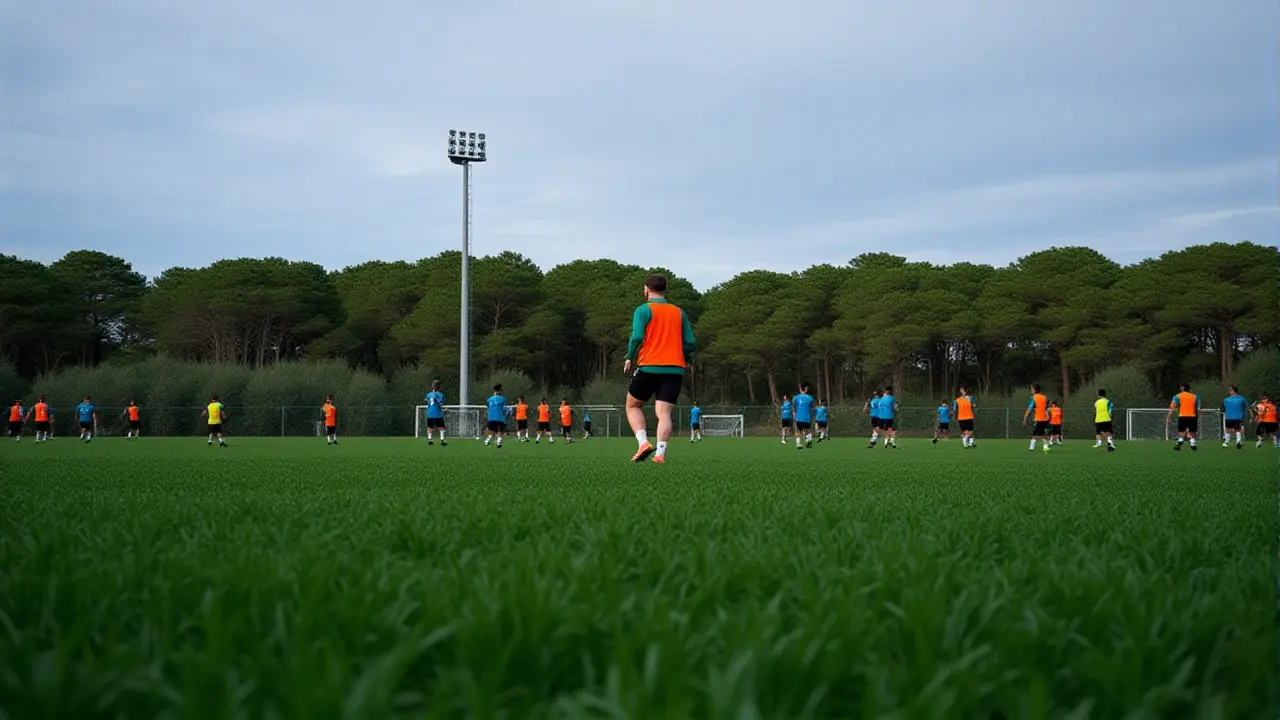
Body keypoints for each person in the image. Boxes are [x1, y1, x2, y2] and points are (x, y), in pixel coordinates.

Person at [623, 274, 696, 464]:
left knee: (632, 405)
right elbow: (690, 342)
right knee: (664, 413)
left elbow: (637, 337)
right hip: (674, 369)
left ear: (646, 289)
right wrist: (686, 359)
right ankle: (660, 454)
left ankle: (643, 442)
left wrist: (630, 356)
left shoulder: (643, 310)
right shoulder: (678, 312)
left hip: (650, 366)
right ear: (664, 290)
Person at [1167, 382, 1199, 451]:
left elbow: (1172, 408)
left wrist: (1169, 417)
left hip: (1182, 416)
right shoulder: (1195, 397)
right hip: (1192, 417)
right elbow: (1197, 408)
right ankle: (1193, 442)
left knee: (1181, 432)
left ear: (1182, 387)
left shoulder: (1177, 396)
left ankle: (1180, 441)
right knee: (1192, 432)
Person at [1023, 384, 1050, 453]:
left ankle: (1046, 442)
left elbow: (1029, 408)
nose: (1031, 390)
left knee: (1038, 436)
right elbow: (1046, 408)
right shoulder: (1044, 397)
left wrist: (1025, 418)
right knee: (1035, 434)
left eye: (1031, 389)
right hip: (1045, 418)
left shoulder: (1033, 398)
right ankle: (1031, 448)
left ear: (1034, 389)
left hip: (1039, 419)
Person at [1221, 385, 1248, 449]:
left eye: (1230, 390)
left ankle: (1227, 442)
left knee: (1228, 429)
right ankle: (1238, 442)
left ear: (1233, 391)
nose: (1229, 391)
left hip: (1229, 417)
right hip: (1237, 417)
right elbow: (1245, 407)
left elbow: (1223, 408)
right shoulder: (1242, 398)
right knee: (1237, 430)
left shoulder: (1226, 400)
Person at [423, 379, 447, 446]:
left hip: (430, 413)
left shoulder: (428, 394)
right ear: (439, 386)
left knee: (430, 427)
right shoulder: (440, 395)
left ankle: (430, 440)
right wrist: (443, 409)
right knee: (441, 427)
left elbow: (427, 400)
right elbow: (440, 403)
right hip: (437, 413)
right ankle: (442, 440)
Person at [792, 383, 816, 449]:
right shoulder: (810, 398)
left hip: (798, 418)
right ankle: (809, 440)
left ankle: (798, 444)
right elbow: (813, 408)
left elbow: (793, 408)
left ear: (800, 389)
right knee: (808, 430)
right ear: (805, 389)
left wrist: (794, 415)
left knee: (798, 431)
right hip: (807, 418)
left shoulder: (795, 398)